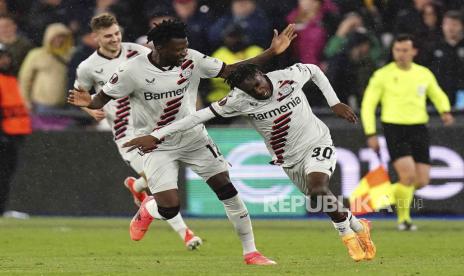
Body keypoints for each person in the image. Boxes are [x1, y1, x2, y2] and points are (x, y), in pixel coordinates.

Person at [68, 19, 296, 265]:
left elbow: (232, 70)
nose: (183, 52)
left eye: (185, 46)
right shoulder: (132, 70)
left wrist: (271, 52)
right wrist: (88, 102)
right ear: (159, 47)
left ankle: (251, 252)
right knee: (170, 208)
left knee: (227, 190)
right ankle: (148, 208)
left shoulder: (192, 59)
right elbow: (100, 100)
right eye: (178, 49)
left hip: (194, 138)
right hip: (156, 144)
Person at [123, 62, 376, 262]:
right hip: (288, 159)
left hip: (317, 142)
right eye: (252, 90)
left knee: (320, 187)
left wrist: (334, 102)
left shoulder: (287, 76)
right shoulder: (237, 100)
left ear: (261, 74)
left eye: (258, 83)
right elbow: (196, 117)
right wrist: (156, 135)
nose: (260, 90)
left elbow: (314, 70)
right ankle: (357, 224)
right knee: (317, 198)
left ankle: (347, 236)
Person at [72, 13, 201, 250]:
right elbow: (79, 95)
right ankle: (186, 234)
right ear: (96, 37)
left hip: (152, 126)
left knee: (165, 174)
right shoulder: (88, 67)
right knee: (161, 184)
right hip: (125, 133)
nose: (114, 39)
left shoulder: (137, 52)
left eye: (117, 33)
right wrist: (91, 111)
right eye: (108, 36)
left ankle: (137, 186)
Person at [361, 34, 454, 231]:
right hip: (395, 128)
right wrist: (370, 133)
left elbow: (436, 94)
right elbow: (368, 105)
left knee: (421, 181)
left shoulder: (423, 73)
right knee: (408, 176)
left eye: (405, 50)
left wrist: (444, 111)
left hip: (419, 128)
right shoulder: (382, 75)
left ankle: (377, 196)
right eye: (397, 50)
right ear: (393, 51)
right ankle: (404, 220)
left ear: (414, 51)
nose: (401, 54)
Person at [18, 22, 74, 130]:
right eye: (56, 37)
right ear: (49, 37)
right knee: (43, 138)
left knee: (62, 139)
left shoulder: (71, 54)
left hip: (65, 105)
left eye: (63, 37)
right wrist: (25, 101)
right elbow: (24, 80)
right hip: (41, 105)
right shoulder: (36, 54)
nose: (59, 40)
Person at [0, 44, 31, 217]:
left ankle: (2, 210)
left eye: (5, 56)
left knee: (6, 176)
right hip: (4, 135)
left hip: (13, 136)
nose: (4, 60)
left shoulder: (10, 79)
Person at [422, 10, 464, 107]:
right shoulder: (433, 47)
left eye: (454, 24)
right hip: (438, 94)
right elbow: (424, 70)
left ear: (462, 26)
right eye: (447, 24)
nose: (450, 28)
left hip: (462, 94)